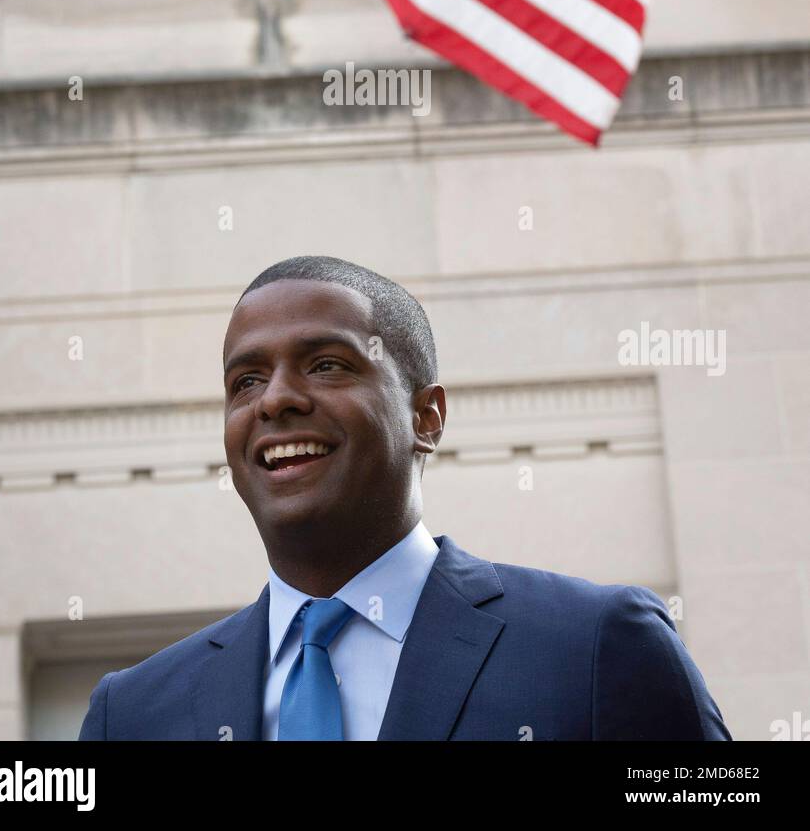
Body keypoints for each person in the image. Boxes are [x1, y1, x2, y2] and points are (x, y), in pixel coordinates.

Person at [79, 254, 731, 741]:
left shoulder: (597, 649)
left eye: (326, 364)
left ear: (427, 417)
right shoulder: (131, 714)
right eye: (245, 380)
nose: (274, 399)